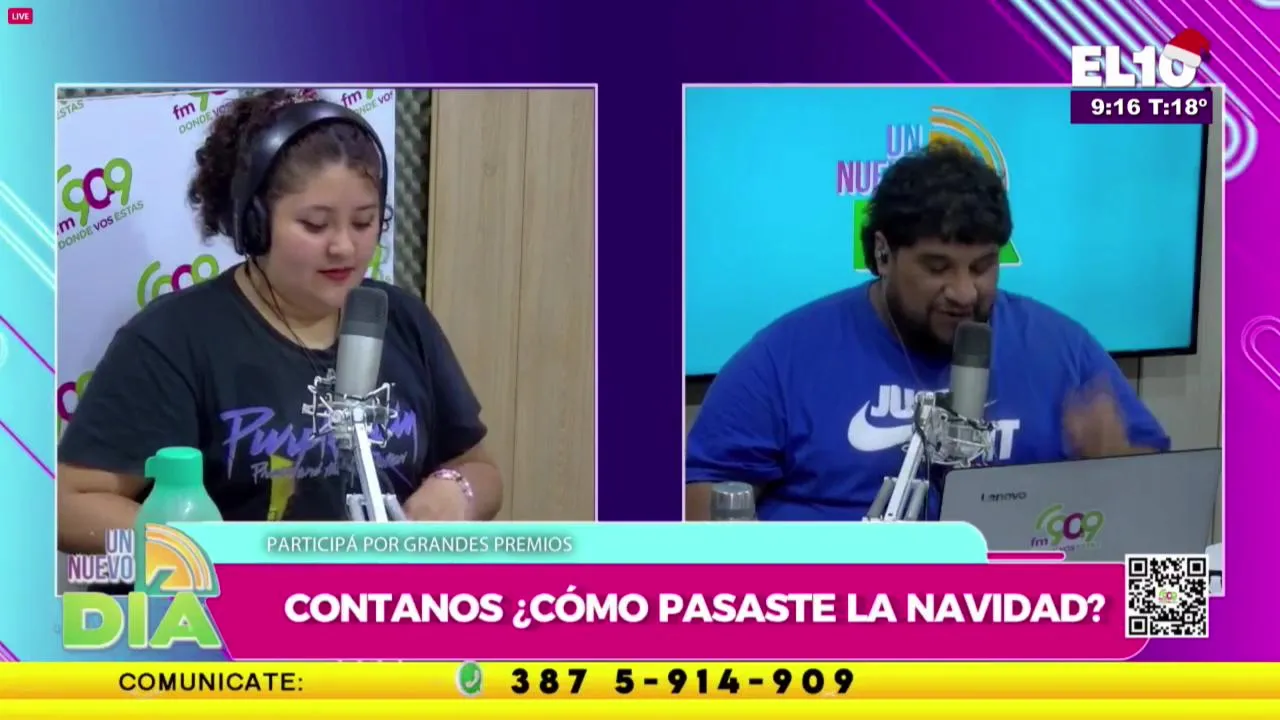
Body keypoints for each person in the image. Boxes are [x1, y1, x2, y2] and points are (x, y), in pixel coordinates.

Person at [58, 89, 503, 555]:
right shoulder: (173, 339)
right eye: (315, 225)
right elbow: (71, 504)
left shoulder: (403, 319)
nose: (344, 247)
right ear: (255, 225)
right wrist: (208, 550)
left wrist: (457, 490)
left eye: (364, 222)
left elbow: (481, 470)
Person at [685, 142, 1170, 521]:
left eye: (982, 266)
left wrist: (1118, 469)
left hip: (1013, 602)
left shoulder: (1061, 349)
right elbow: (705, 499)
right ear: (883, 254)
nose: (964, 292)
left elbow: (1159, 491)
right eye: (937, 268)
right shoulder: (785, 356)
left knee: (1175, 606)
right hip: (843, 606)